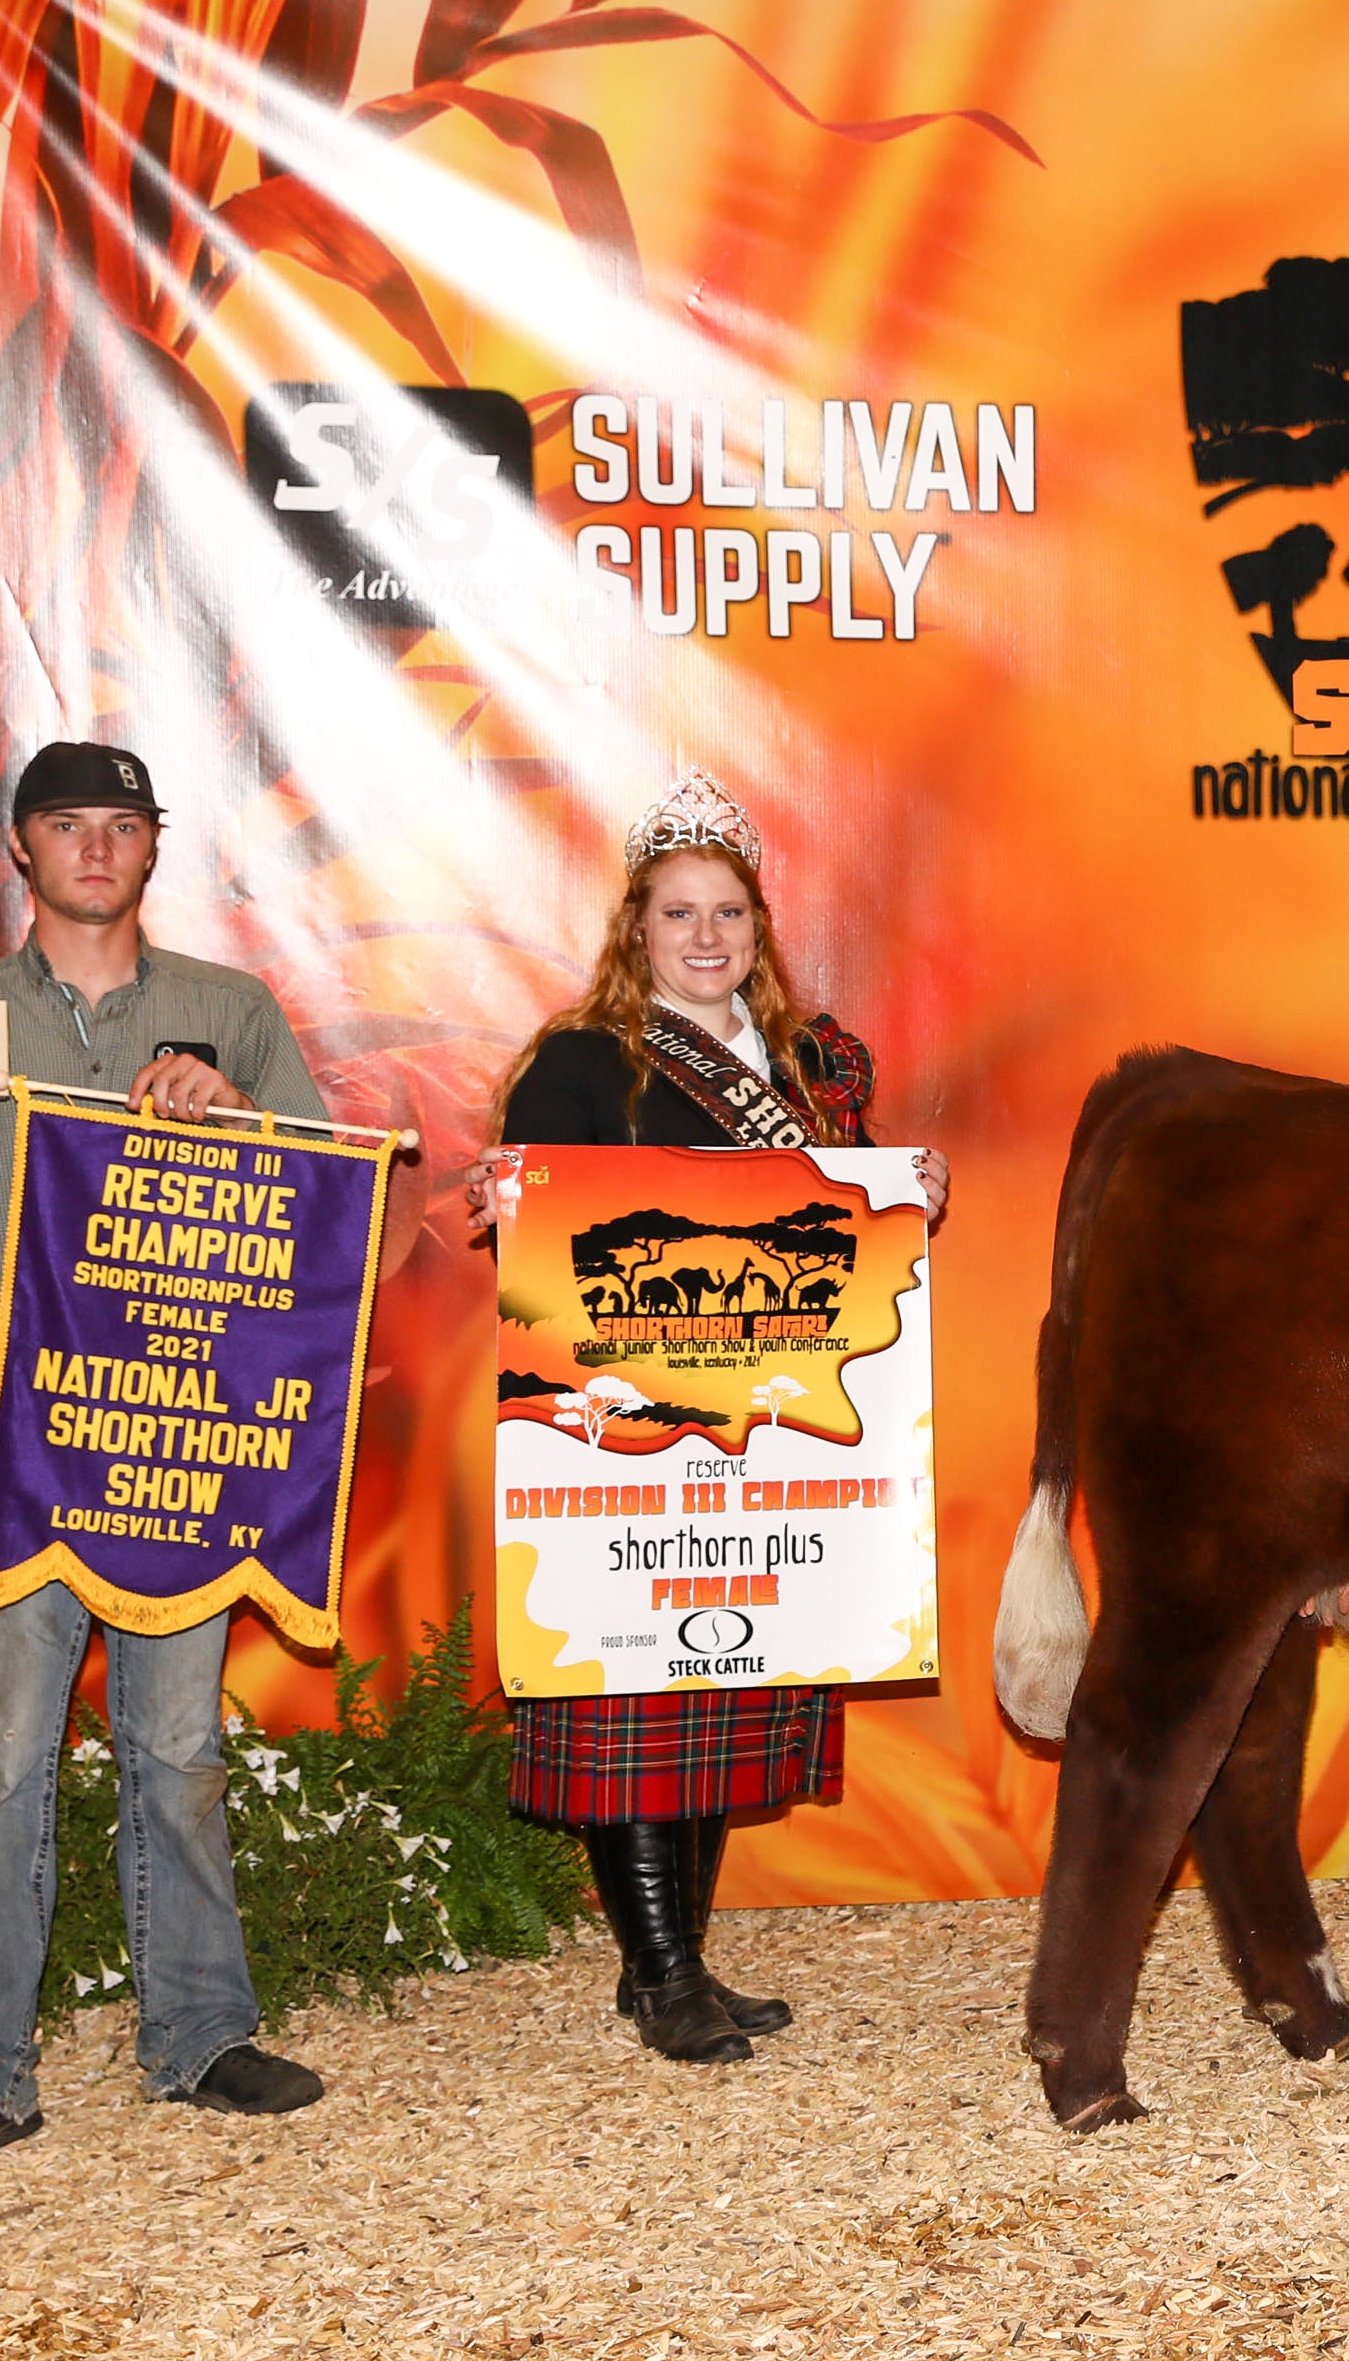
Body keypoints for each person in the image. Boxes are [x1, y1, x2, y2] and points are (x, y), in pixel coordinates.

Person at [0, 739, 333, 2171]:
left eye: (121, 824)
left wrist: (244, 1126)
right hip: (14, 1434)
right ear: (21, 847)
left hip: (184, 1432)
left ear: (152, 844)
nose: (95, 846)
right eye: (67, 823)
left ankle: (201, 2033)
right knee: (4, 1759)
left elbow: (328, 1200)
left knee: (179, 1743)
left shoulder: (227, 1011)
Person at [480, 763, 946, 2062]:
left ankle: (667, 1967)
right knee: (630, 1684)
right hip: (626, 1436)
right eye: (678, 914)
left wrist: (909, 1185)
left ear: (759, 930)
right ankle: (665, 1969)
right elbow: (543, 1231)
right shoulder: (581, 1066)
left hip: (765, 1437)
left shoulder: (804, 1068)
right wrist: (508, 1194)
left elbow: (847, 1227)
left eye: (728, 915)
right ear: (637, 931)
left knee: (718, 1684)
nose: (704, 938)